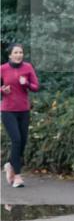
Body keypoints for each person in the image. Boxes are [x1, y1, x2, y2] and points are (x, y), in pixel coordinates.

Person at [1, 43, 40, 188]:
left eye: (21, 52)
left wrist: (27, 83)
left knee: (23, 142)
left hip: (24, 110)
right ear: (10, 55)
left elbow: (36, 87)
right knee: (16, 140)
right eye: (16, 52)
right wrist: (2, 89)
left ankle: (10, 165)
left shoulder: (28, 68)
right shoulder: (3, 69)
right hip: (8, 111)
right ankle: (17, 177)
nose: (19, 55)